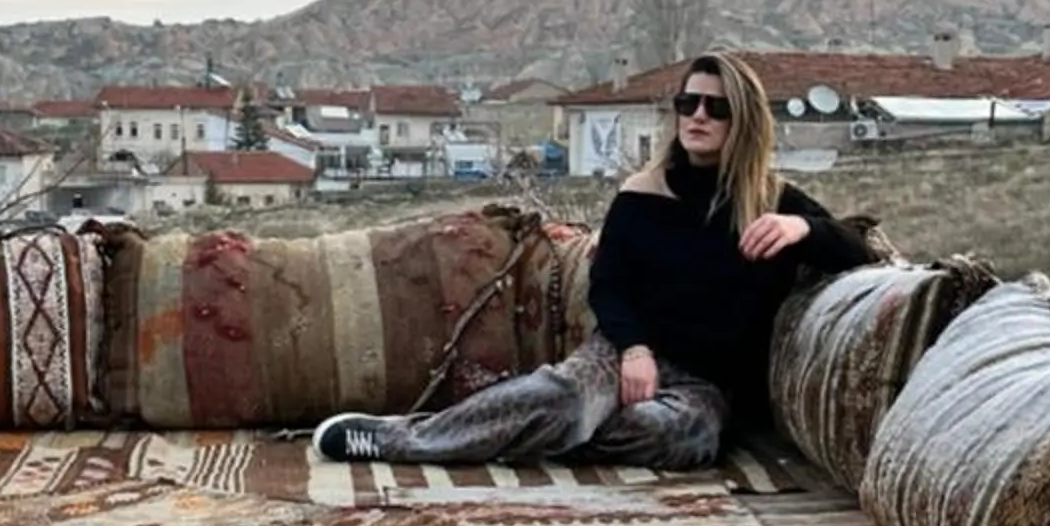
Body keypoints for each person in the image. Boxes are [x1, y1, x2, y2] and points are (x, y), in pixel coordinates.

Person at [312, 51, 870, 472]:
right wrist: (634, 350)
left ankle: (507, 428)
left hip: (705, 384)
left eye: (715, 107)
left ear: (742, 119)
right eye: (687, 103)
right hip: (624, 353)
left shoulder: (771, 201)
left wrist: (803, 228)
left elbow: (860, 250)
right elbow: (610, 286)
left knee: (671, 437)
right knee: (564, 397)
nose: (697, 116)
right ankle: (399, 439)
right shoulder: (643, 193)